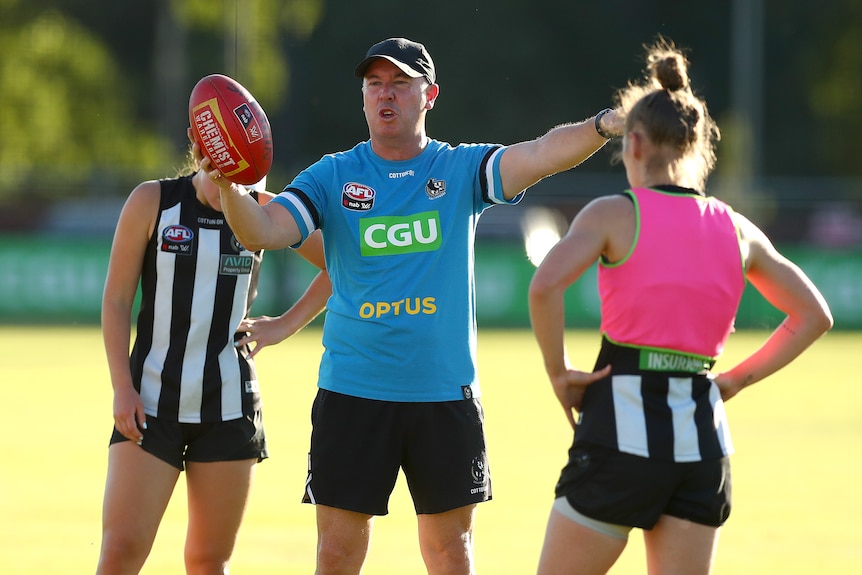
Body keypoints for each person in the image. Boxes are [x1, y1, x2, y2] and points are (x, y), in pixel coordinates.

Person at [198, 36, 621, 575]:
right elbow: (267, 228)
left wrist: (605, 125)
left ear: (431, 95)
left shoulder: (462, 169)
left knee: (450, 554)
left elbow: (541, 153)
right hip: (353, 392)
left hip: (443, 393)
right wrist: (230, 184)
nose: (385, 94)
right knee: (336, 555)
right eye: (374, 83)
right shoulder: (333, 175)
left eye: (400, 82)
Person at [528, 38, 833, 575]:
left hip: (618, 433)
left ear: (637, 143)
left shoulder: (612, 213)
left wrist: (560, 373)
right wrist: (733, 382)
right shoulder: (735, 228)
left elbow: (544, 286)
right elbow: (814, 315)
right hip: (702, 442)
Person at [96, 139, 330, 574]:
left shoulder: (265, 207)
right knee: (121, 552)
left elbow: (342, 263)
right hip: (150, 404)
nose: (233, 181)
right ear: (197, 144)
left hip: (229, 409)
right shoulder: (153, 200)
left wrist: (285, 325)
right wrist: (121, 387)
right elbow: (116, 300)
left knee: (207, 561)